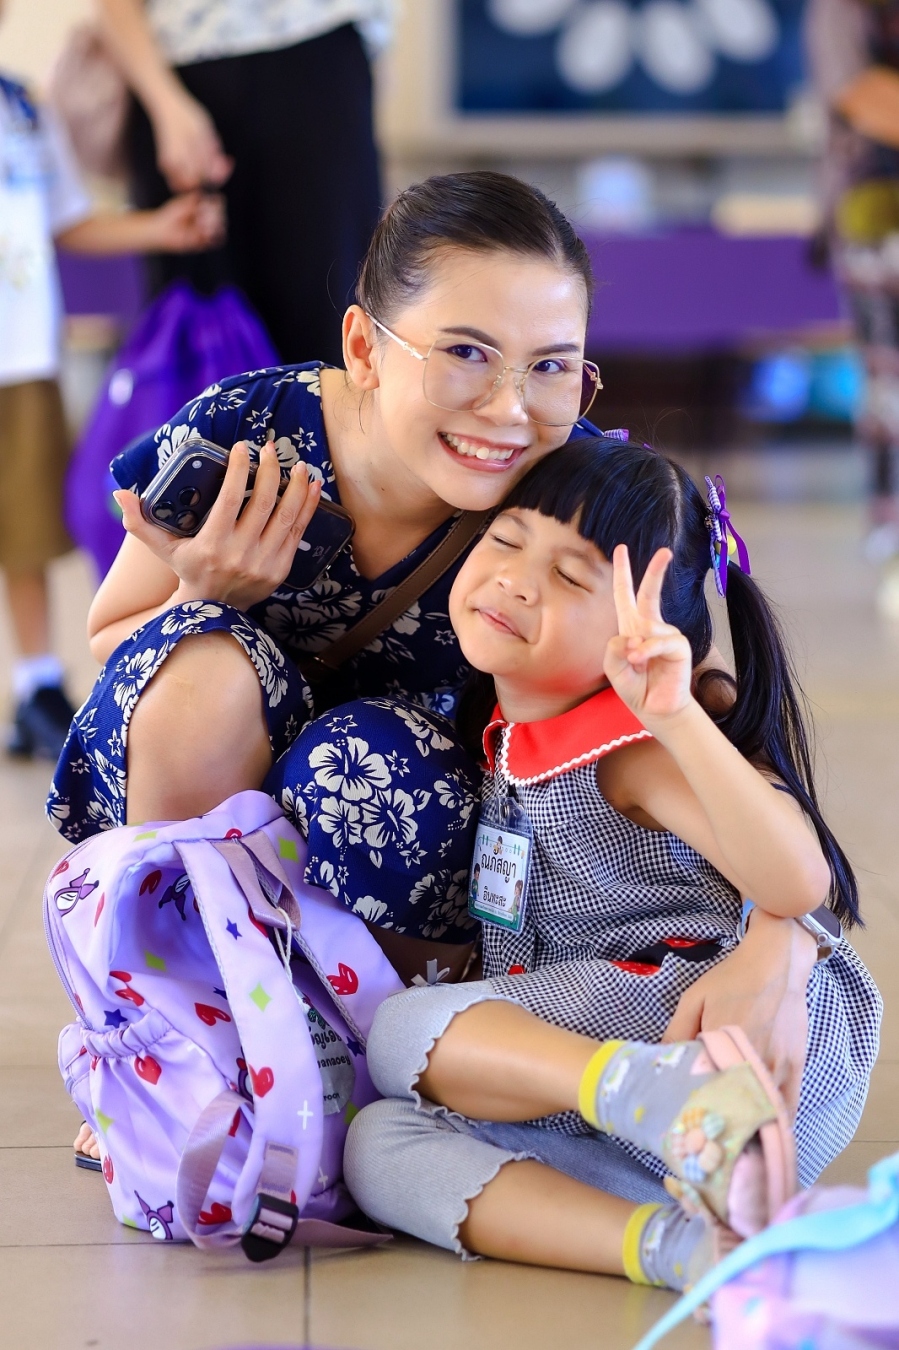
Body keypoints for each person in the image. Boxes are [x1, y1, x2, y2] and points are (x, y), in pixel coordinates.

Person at [51, 172, 832, 1160]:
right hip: (211, 772)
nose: (508, 409)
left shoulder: (566, 483)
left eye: (551, 366)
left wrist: (779, 939)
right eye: (465, 353)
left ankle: (368, 1072)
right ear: (364, 347)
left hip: (419, 819)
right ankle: (180, 1046)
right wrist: (205, 593)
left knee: (371, 756)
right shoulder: (244, 437)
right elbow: (116, 646)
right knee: (199, 667)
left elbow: (702, 707)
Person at [342, 439, 882, 1289]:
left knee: (402, 1034)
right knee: (380, 1148)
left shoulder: (630, 746)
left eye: (570, 577)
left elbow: (798, 884)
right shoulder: (515, 731)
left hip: (711, 1020)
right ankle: (690, 1249)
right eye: (506, 539)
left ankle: (659, 1095)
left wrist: (675, 717)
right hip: (658, 1107)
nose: (518, 580)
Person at [0, 44, 223, 760]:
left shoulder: (22, 110)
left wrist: (157, 228)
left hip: (22, 353)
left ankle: (37, 681)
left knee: (23, 526)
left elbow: (65, 221)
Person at [95, 0, 390, 364]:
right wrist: (165, 103)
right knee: (193, 336)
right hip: (186, 75)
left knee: (331, 323)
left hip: (323, 55)